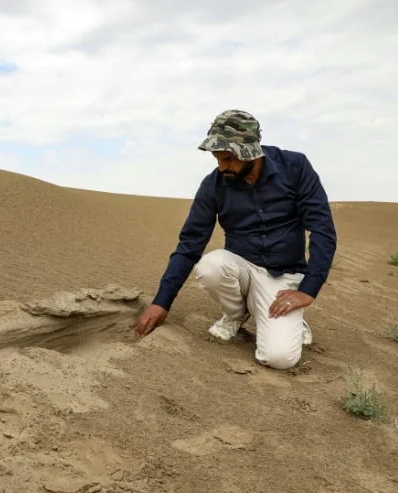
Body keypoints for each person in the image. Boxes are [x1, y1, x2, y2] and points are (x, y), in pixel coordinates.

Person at [135, 109, 337, 370]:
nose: (221, 166)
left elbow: (323, 230)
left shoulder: (295, 168)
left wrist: (308, 290)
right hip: (240, 268)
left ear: (251, 151)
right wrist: (161, 302)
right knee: (210, 266)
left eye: (228, 158)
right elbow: (190, 244)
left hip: (283, 275)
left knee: (279, 358)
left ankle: (286, 316)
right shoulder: (214, 185)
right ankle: (236, 314)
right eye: (217, 158)